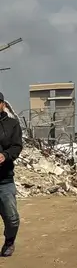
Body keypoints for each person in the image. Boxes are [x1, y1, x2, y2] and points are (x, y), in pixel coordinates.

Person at [0, 93, 23, 257]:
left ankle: (9, 242)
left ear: (2, 104)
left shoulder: (12, 125)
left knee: (12, 218)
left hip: (4, 179)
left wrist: (5, 155)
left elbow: (17, 146)